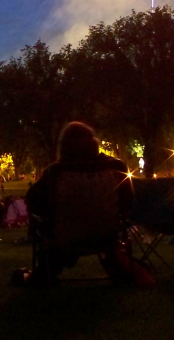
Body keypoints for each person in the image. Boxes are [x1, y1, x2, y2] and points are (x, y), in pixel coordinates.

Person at [25, 122, 146, 285]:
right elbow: (129, 200)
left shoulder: (56, 171)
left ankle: (45, 271)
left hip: (65, 235)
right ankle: (117, 265)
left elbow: (35, 202)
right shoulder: (116, 166)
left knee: (44, 227)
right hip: (107, 234)